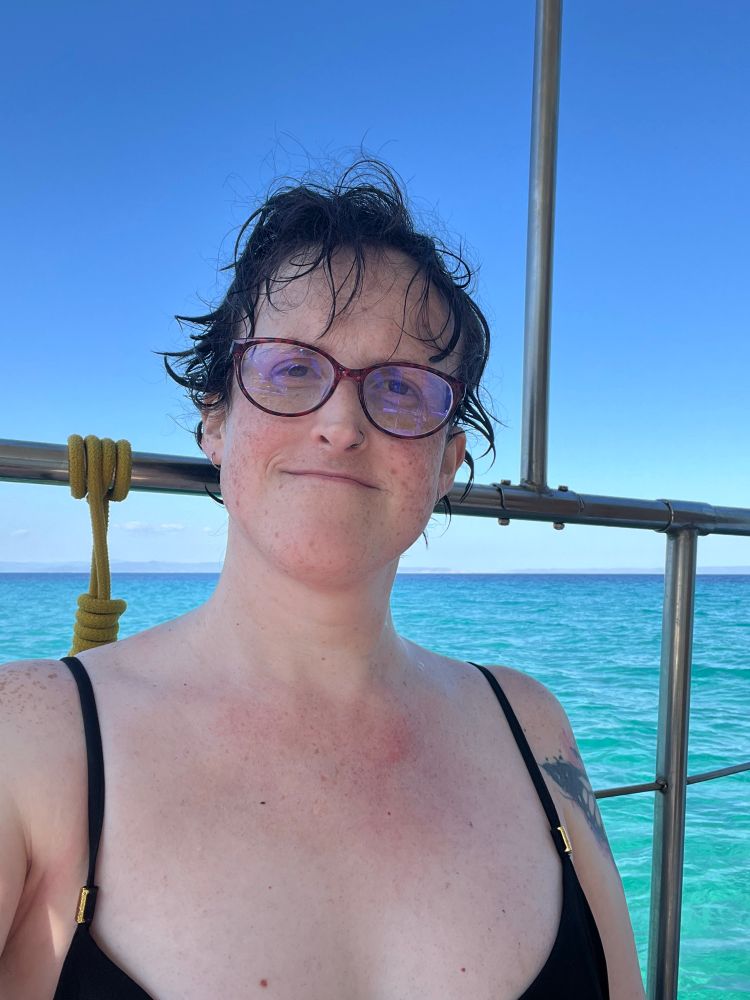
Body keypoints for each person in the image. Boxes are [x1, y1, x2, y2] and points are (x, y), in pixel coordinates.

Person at [0, 160, 645, 999]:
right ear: (216, 422)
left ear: (448, 459)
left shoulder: (533, 724)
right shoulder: (29, 739)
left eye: (403, 387)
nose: (341, 424)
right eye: (292, 369)